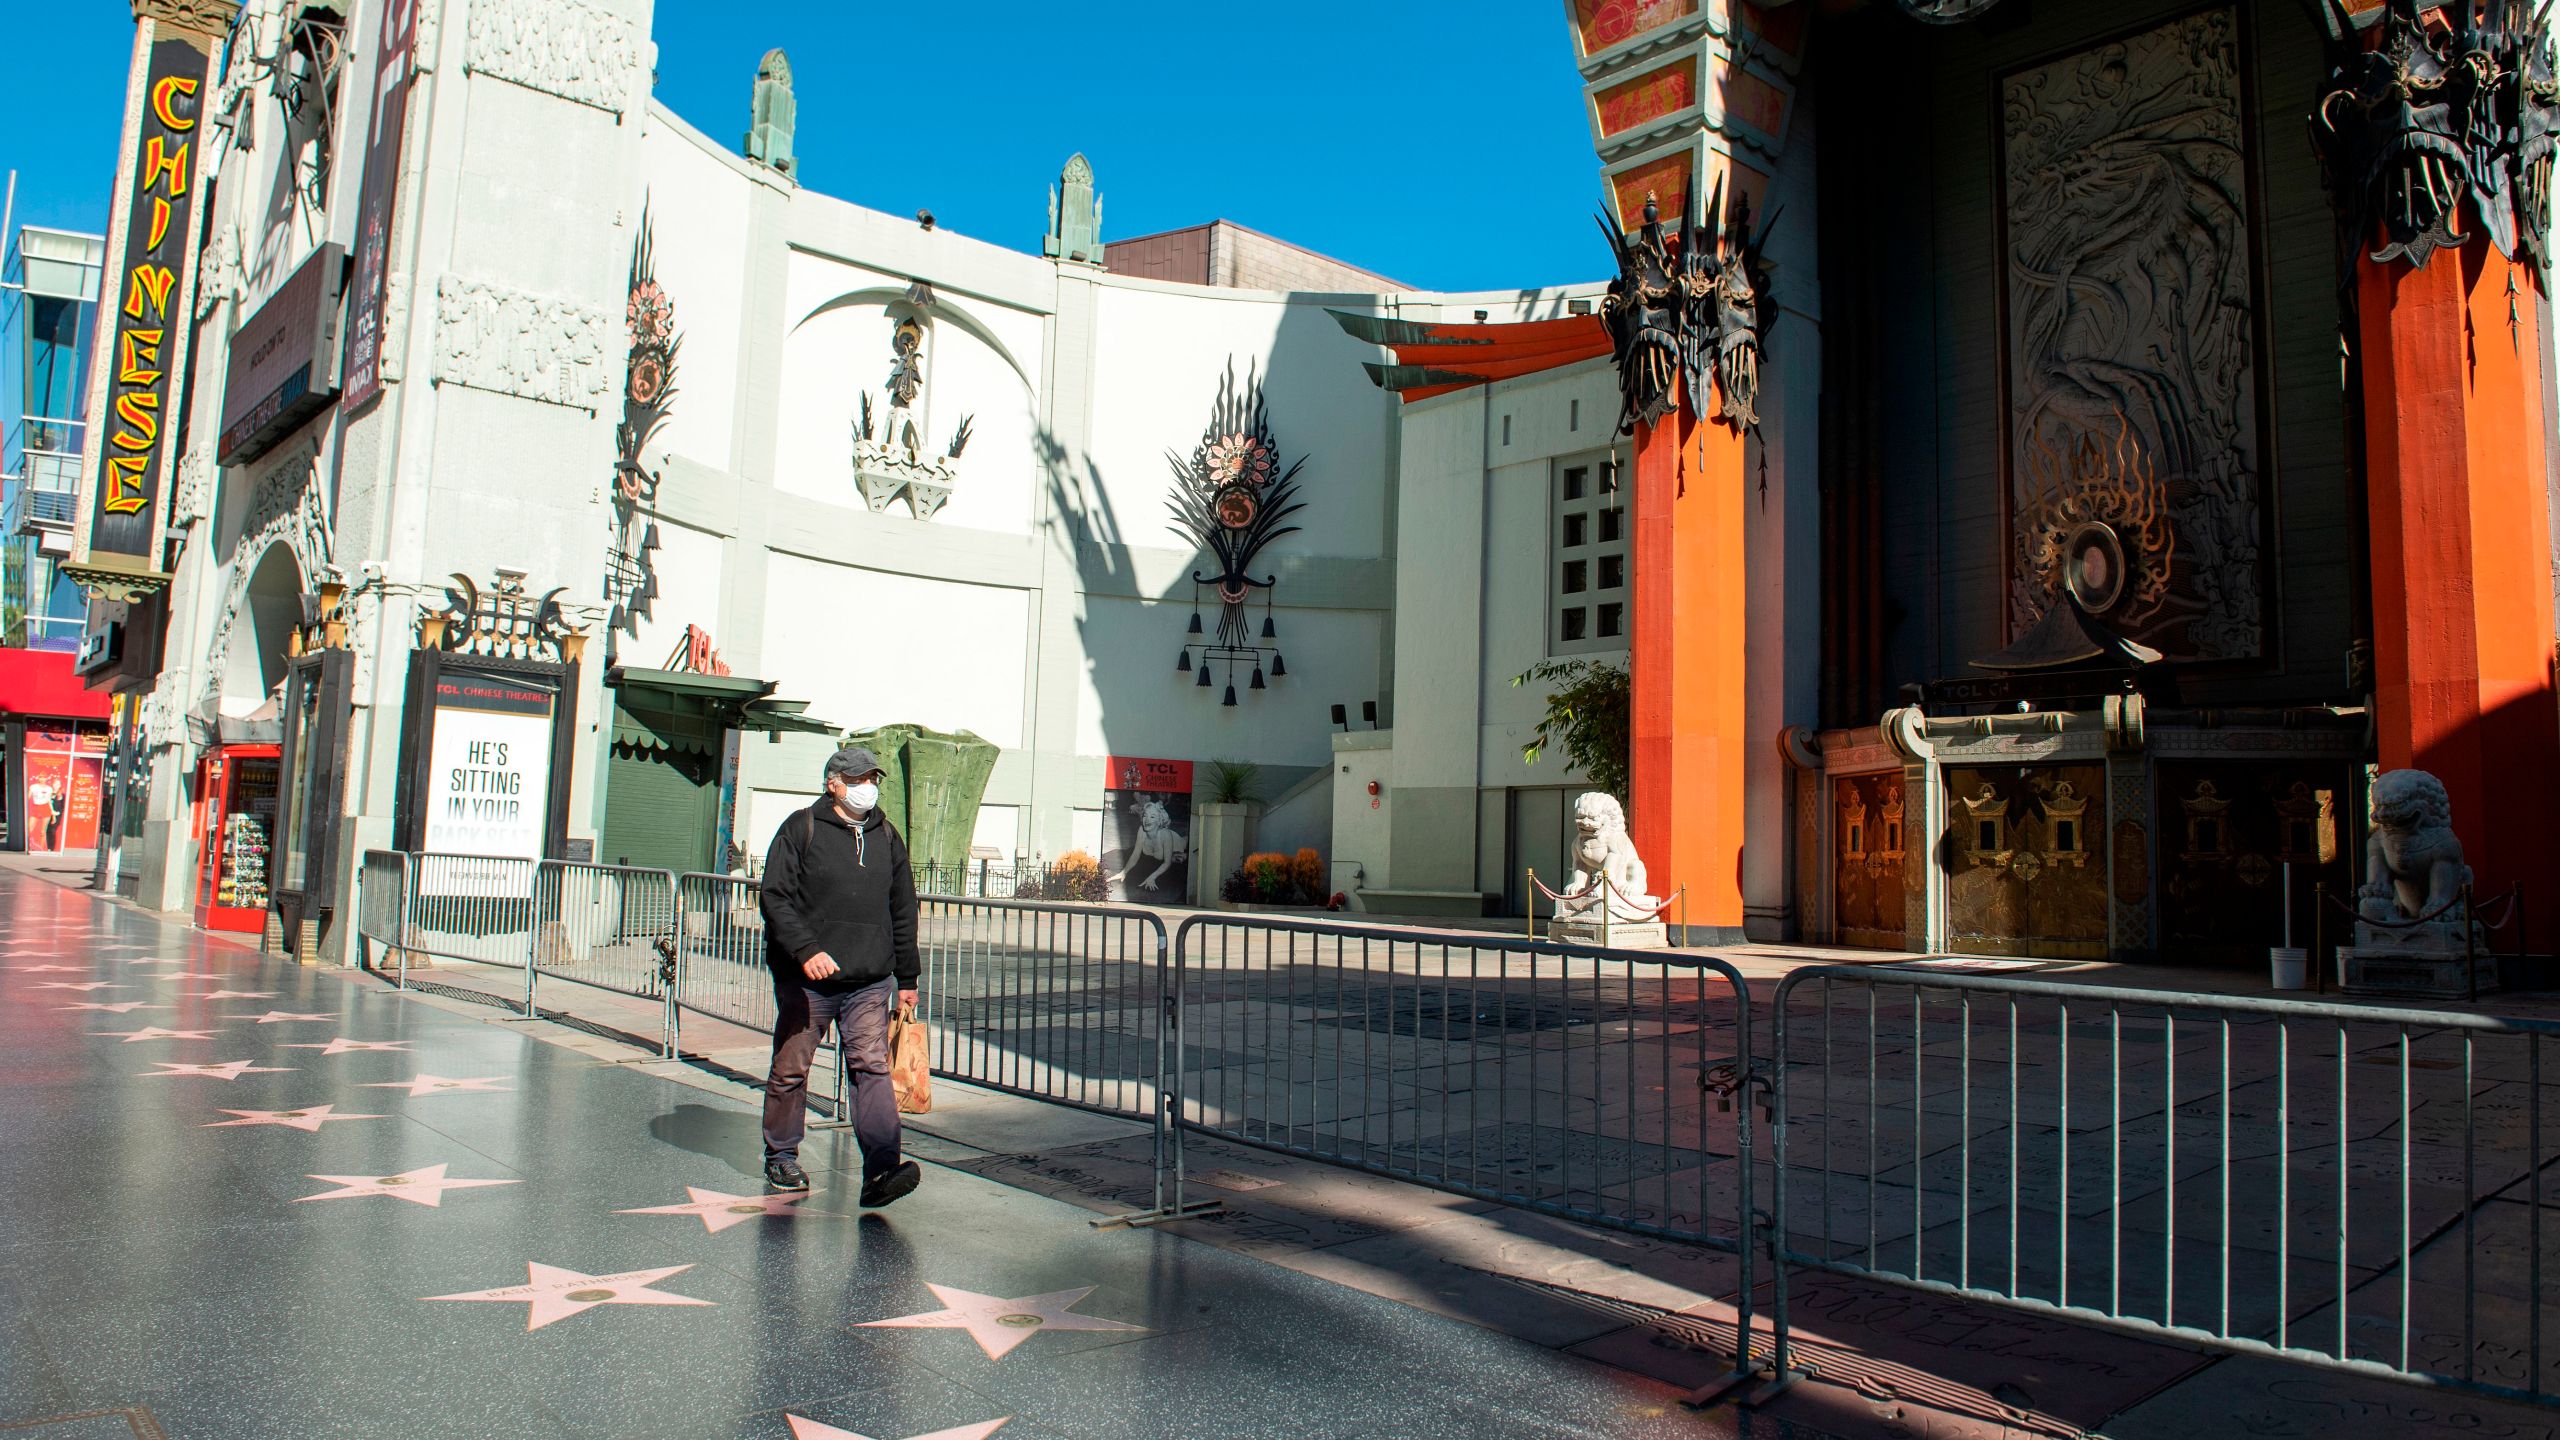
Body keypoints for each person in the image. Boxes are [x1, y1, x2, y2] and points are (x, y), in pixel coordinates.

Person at [756, 745, 923, 1204]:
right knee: (792, 1067)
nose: (867, 787)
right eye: (857, 778)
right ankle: (782, 1155)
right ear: (832, 782)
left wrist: (907, 978)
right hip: (806, 980)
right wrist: (806, 950)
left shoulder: (887, 835)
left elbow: (903, 908)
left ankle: (882, 1170)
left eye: (873, 778)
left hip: (869, 980)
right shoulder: (801, 828)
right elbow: (775, 896)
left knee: (871, 1068)